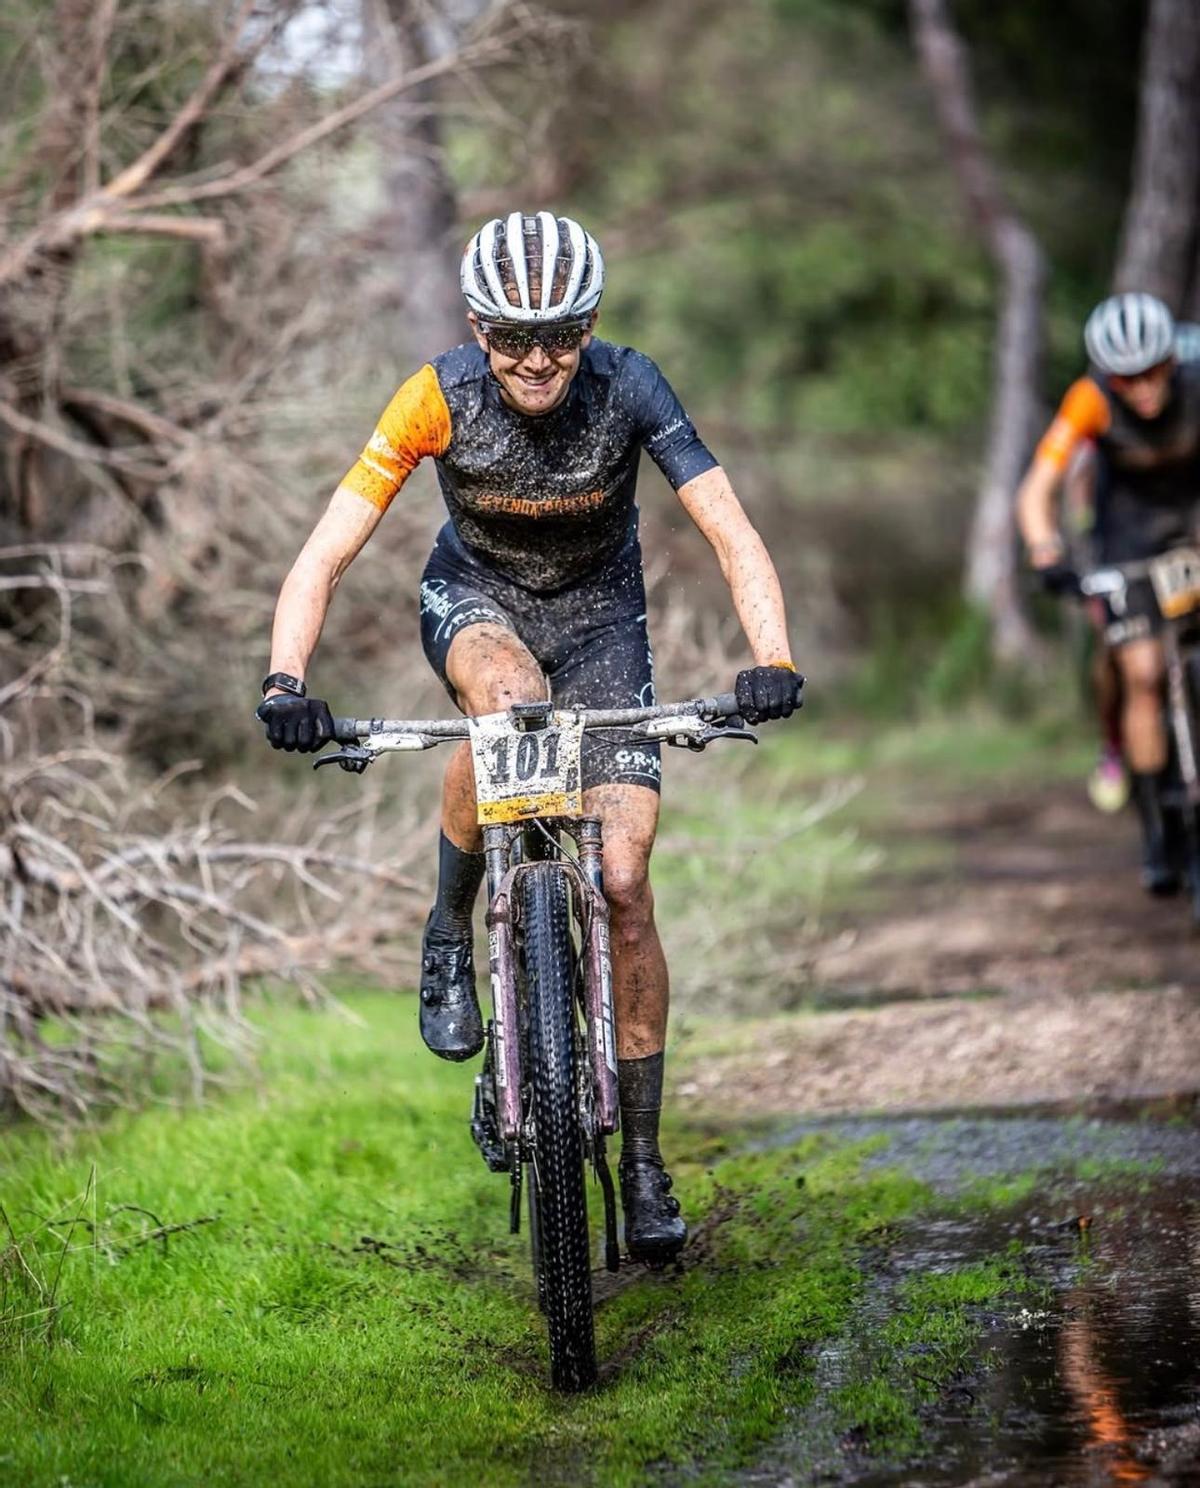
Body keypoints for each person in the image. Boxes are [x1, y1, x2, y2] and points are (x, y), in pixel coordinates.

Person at [255, 211, 803, 1262]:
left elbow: (730, 528)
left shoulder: (632, 388)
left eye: (561, 332)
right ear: (477, 325)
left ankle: (642, 1164)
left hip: (603, 619)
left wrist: (771, 658)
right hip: (478, 603)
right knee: (503, 706)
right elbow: (325, 551)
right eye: (513, 336)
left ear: (591, 324)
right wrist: (287, 679)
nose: (538, 359)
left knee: (629, 881)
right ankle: (448, 931)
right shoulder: (436, 395)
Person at [1017, 290, 1200, 892]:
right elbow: (1038, 486)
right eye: (1127, 380)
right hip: (1127, 540)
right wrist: (1047, 553)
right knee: (1142, 674)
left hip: (1192, 527)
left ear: (1172, 362)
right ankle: (1158, 824)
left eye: (1152, 374)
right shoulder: (1089, 399)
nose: (1143, 390)